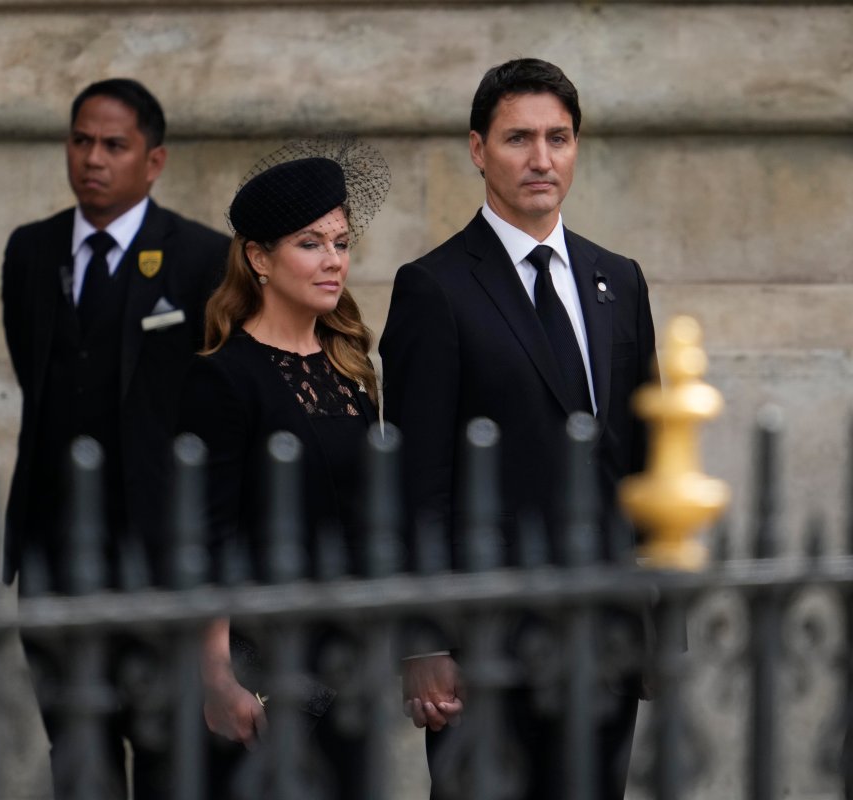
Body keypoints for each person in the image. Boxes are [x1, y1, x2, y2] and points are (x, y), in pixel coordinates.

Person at [379, 58, 657, 800]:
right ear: (478, 150)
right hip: (487, 646)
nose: (541, 159)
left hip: (605, 634)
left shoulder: (618, 279)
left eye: (558, 138)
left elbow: (644, 458)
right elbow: (416, 478)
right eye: (518, 139)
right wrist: (425, 639)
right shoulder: (433, 288)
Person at [0, 77, 229, 798]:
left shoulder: (200, 257)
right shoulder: (31, 252)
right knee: (79, 759)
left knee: (171, 760)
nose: (92, 159)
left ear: (153, 161)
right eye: (80, 141)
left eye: (113, 145)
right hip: (53, 552)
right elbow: (34, 373)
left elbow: (209, 405)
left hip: (158, 560)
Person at [177, 137, 390, 798]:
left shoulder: (352, 373)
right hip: (261, 673)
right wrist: (217, 674)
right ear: (259, 258)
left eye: (341, 242)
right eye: (311, 243)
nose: (334, 261)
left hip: (348, 671)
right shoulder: (224, 377)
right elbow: (203, 536)